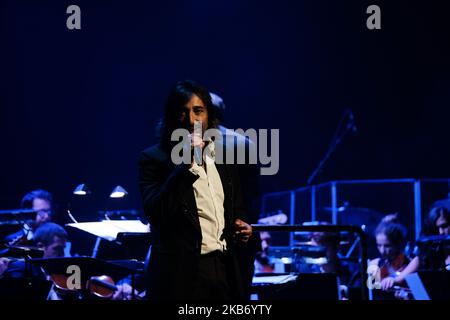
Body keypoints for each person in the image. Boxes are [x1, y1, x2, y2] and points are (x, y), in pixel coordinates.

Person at [138, 80, 253, 300]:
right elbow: (156, 212)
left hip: (225, 267)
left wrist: (242, 224)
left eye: (198, 111)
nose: (192, 120)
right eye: (183, 112)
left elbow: (237, 207)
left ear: (209, 115)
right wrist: (186, 163)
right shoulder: (153, 159)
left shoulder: (224, 159)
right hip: (183, 273)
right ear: (172, 117)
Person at [369, 214, 419, 298]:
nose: (382, 251)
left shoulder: (409, 265)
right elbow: (373, 294)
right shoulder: (376, 264)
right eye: (379, 245)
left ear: (398, 244)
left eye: (387, 246)